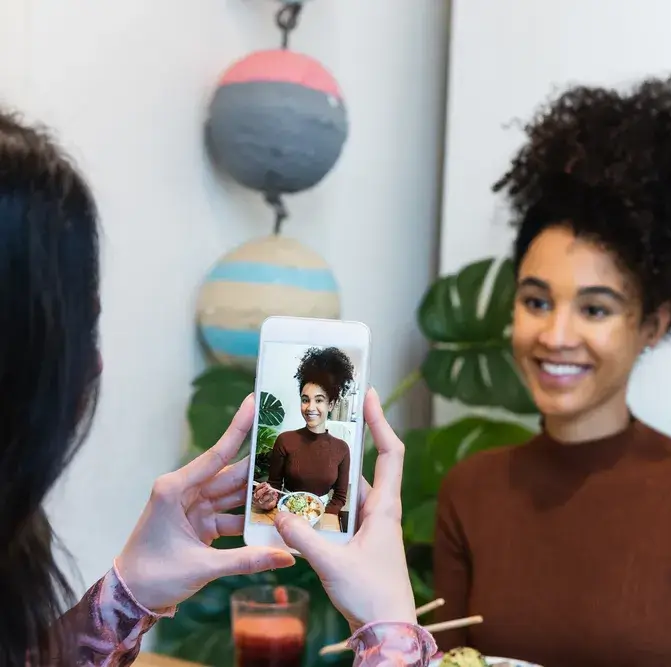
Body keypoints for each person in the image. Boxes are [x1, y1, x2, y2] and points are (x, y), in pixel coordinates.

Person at [0, 108, 434, 666]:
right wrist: (393, 636)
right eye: (80, 330)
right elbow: (270, 492)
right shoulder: (282, 445)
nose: (95, 365)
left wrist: (127, 597)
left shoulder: (339, 453)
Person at [433, 76, 671, 666]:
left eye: (595, 309)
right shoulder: (470, 494)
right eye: (536, 301)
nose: (555, 335)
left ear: (653, 324)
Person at [253, 346, 354, 520]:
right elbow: (274, 486)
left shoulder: (342, 449)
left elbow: (339, 498)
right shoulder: (285, 440)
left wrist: (317, 518)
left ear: (331, 405)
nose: (310, 407)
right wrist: (267, 499)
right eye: (305, 400)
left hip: (319, 517)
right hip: (285, 514)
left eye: (319, 400)